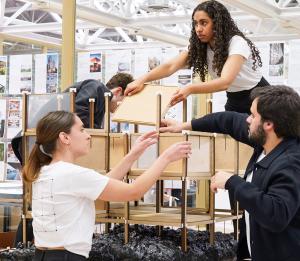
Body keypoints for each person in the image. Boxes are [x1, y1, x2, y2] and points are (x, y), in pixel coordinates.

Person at [23, 110, 192, 260]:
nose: (88, 135)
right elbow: (134, 191)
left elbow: (103, 184)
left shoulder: (45, 172)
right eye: (81, 129)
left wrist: (133, 155)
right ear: (64, 138)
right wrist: (165, 158)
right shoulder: (72, 174)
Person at [159, 85, 300, 261]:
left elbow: (276, 214)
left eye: (253, 116)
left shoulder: (290, 164)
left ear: (269, 124)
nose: (247, 120)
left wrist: (232, 182)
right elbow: (228, 121)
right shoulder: (267, 143)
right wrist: (184, 126)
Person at [125, 0, 269, 114]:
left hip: (260, 95)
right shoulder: (200, 47)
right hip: (234, 99)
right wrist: (141, 80)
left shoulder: (237, 42)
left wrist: (190, 88)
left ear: (217, 24)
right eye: (195, 24)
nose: (198, 29)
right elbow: (170, 66)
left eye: (204, 23)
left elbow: (225, 81)